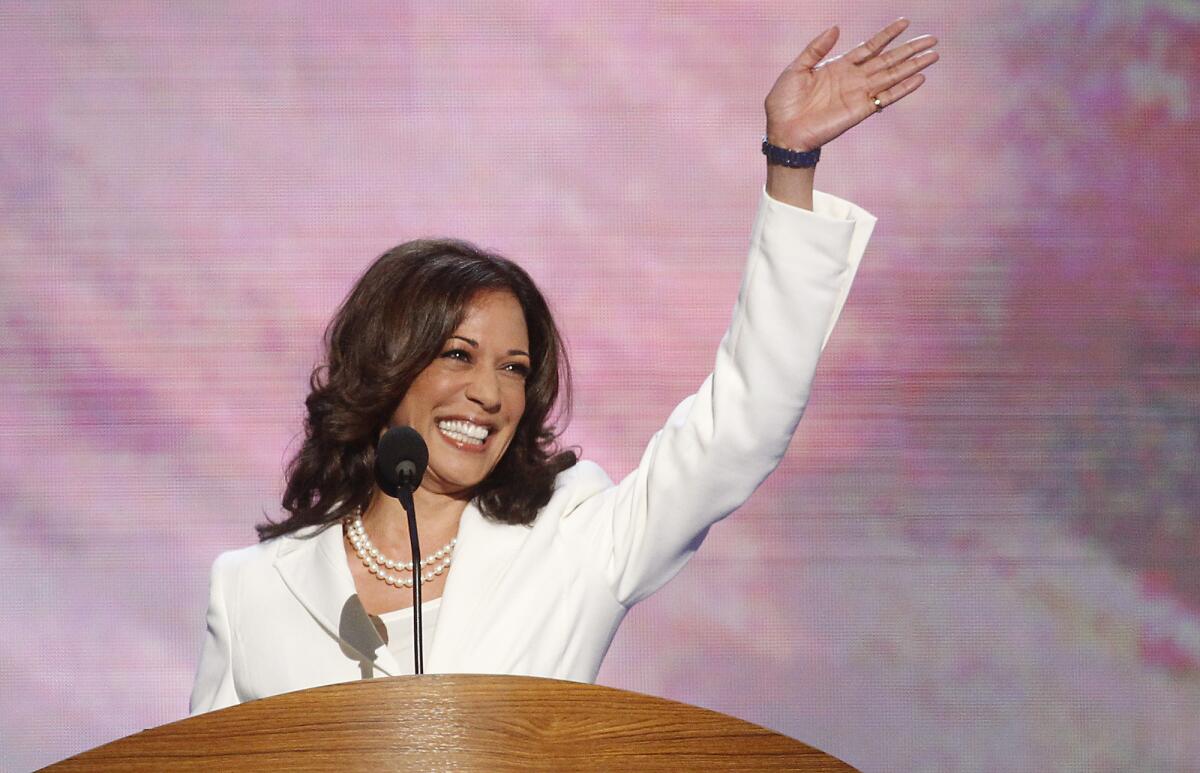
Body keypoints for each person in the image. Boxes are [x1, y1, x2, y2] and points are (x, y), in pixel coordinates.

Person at [190, 19, 938, 714]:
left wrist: (790, 165)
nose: (489, 393)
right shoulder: (254, 588)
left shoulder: (574, 535)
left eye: (515, 369)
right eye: (459, 356)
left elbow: (741, 424)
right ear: (385, 366)